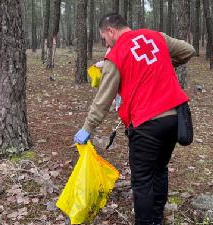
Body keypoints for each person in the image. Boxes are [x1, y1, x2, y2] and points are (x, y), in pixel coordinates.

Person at [74, 13, 195, 225]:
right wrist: (157, 66)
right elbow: (188, 50)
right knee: (159, 170)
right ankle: (156, 219)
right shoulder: (155, 37)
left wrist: (88, 127)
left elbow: (104, 98)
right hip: (174, 119)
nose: (106, 43)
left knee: (142, 181)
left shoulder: (116, 53)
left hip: (147, 124)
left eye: (104, 38)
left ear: (110, 31)